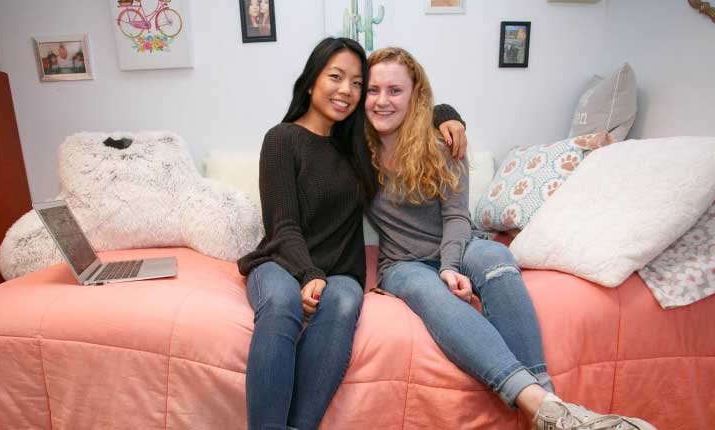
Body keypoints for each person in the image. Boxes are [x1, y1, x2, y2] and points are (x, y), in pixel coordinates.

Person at [362, 47, 657, 430]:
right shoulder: (354, 152)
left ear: (415, 95)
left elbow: (455, 216)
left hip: (460, 243)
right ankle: (546, 407)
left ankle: (548, 409)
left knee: (496, 260)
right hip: (403, 263)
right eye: (373, 90)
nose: (382, 100)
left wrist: (450, 266)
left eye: (395, 90)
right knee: (428, 292)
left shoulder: (444, 145)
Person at [236, 38, 466, 430]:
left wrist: (447, 114)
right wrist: (308, 275)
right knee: (280, 302)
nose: (347, 90)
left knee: (343, 304)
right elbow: (283, 225)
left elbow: (406, 107)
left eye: (357, 83)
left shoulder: (358, 143)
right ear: (311, 81)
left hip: (341, 271)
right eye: (336, 77)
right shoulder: (281, 139)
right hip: (282, 261)